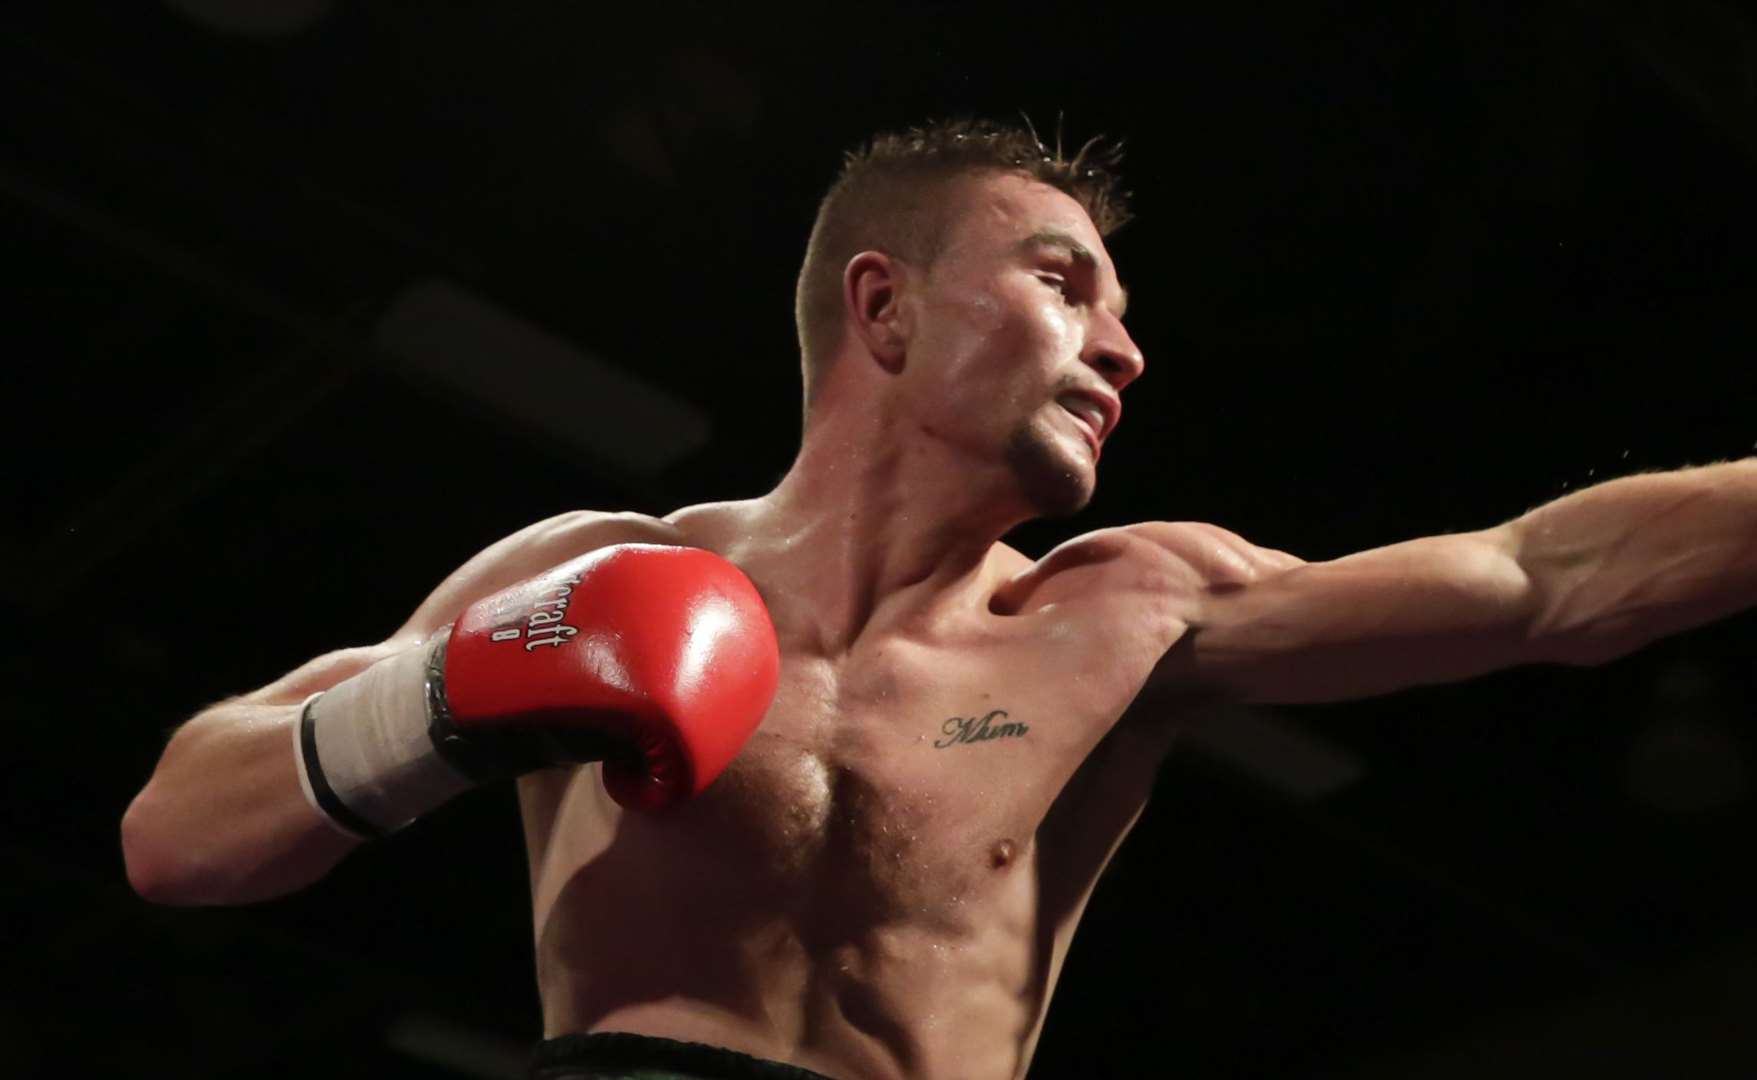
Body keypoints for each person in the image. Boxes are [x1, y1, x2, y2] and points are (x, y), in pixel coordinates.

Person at [122, 117, 1757, 1080]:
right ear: (882, 309)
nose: (1121, 347)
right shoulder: (596, 573)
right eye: (1063, 282)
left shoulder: (1127, 610)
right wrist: (442, 702)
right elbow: (177, 840)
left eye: (1120, 311)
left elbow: (1548, 578)